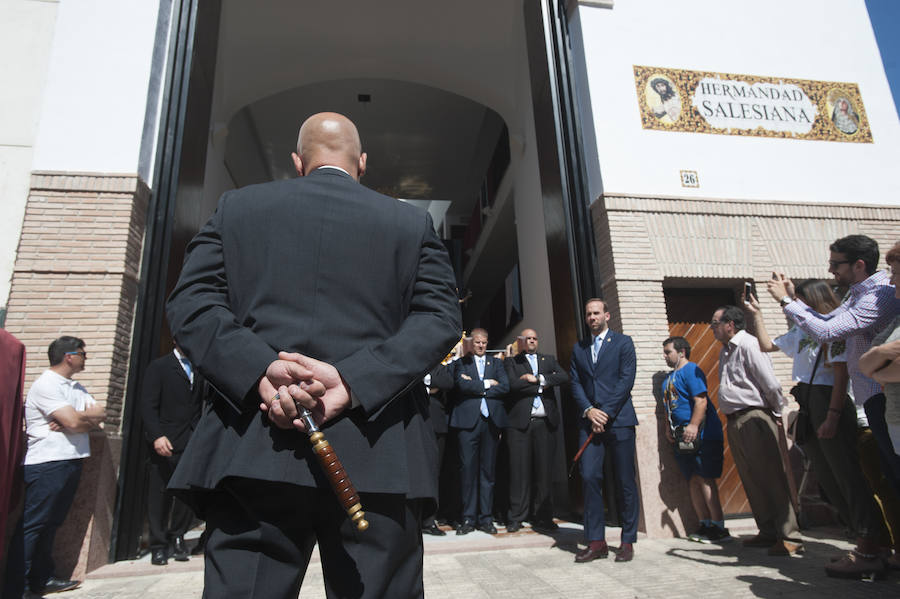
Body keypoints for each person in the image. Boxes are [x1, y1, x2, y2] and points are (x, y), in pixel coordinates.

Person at [165, 112, 461, 598]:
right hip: (378, 452)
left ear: (297, 163)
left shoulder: (238, 208)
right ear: (362, 162)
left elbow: (190, 302)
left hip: (254, 448)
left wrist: (260, 369)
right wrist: (354, 382)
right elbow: (440, 320)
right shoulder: (410, 222)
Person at [749, 280, 887, 576]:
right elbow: (766, 345)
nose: (796, 307)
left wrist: (833, 415)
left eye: (799, 301)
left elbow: (840, 375)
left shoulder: (835, 328)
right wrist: (758, 313)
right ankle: (861, 538)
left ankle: (872, 543)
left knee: (848, 476)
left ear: (813, 300)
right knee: (828, 479)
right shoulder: (803, 329)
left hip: (829, 400)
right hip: (808, 399)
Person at [769, 235, 900, 497]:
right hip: (875, 397)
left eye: (836, 264)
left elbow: (827, 331)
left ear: (859, 265)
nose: (831, 270)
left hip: (883, 397)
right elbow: (827, 321)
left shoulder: (880, 295)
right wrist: (793, 299)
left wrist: (786, 302)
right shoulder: (861, 293)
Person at [710, 306, 803, 556]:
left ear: (730, 324)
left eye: (715, 323)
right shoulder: (725, 351)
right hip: (735, 420)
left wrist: (775, 412)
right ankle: (768, 531)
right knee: (751, 477)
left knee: (771, 476)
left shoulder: (749, 345)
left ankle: (789, 535)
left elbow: (769, 382)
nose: (712, 328)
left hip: (755, 416)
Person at [21, 336, 105, 596]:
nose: (85, 358)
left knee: (52, 523)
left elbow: (99, 413)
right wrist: (78, 419)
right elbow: (73, 422)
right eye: (82, 353)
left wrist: (79, 419)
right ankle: (19, 584)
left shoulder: (76, 387)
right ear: (69, 356)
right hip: (47, 463)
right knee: (34, 525)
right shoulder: (47, 384)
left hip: (71, 460)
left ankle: (42, 578)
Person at [570, 299, 638, 563]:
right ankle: (596, 541)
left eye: (596, 313)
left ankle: (628, 540)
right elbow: (575, 383)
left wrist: (605, 412)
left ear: (607, 315)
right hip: (590, 424)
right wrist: (589, 410)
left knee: (625, 482)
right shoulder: (579, 348)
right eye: (588, 314)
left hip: (619, 420)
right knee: (588, 477)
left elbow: (626, 380)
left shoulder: (623, 343)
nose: (592, 317)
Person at [139, 342, 205, 565]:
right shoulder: (159, 367)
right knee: (160, 495)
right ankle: (158, 544)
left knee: (186, 495)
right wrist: (156, 435)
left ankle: (178, 537)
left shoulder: (200, 367)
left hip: (191, 441)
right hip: (165, 441)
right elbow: (148, 405)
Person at [660, 336, 729, 543]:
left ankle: (719, 527)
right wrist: (667, 429)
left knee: (705, 477)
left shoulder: (691, 371)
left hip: (701, 434)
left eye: (668, 352)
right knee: (692, 478)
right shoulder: (668, 379)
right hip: (680, 435)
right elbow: (667, 407)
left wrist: (693, 425)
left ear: (681, 352)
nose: (664, 356)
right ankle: (704, 523)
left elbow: (700, 401)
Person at [502, 328, 568, 533]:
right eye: (527, 338)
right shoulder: (512, 362)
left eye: (534, 338)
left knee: (544, 472)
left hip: (545, 424)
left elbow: (564, 376)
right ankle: (516, 516)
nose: (531, 341)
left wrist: (536, 379)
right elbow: (512, 385)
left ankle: (544, 517)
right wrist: (544, 384)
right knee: (519, 472)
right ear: (521, 342)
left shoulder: (548, 359)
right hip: (519, 425)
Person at [448, 328, 509, 535]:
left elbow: (505, 387)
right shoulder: (461, 363)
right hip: (467, 423)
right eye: (478, 343)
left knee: (488, 472)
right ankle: (468, 518)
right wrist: (487, 383)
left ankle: (486, 519)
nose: (481, 346)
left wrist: (474, 385)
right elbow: (460, 386)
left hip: (490, 422)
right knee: (467, 471)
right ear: (471, 344)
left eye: (484, 342)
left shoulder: (498, 364)